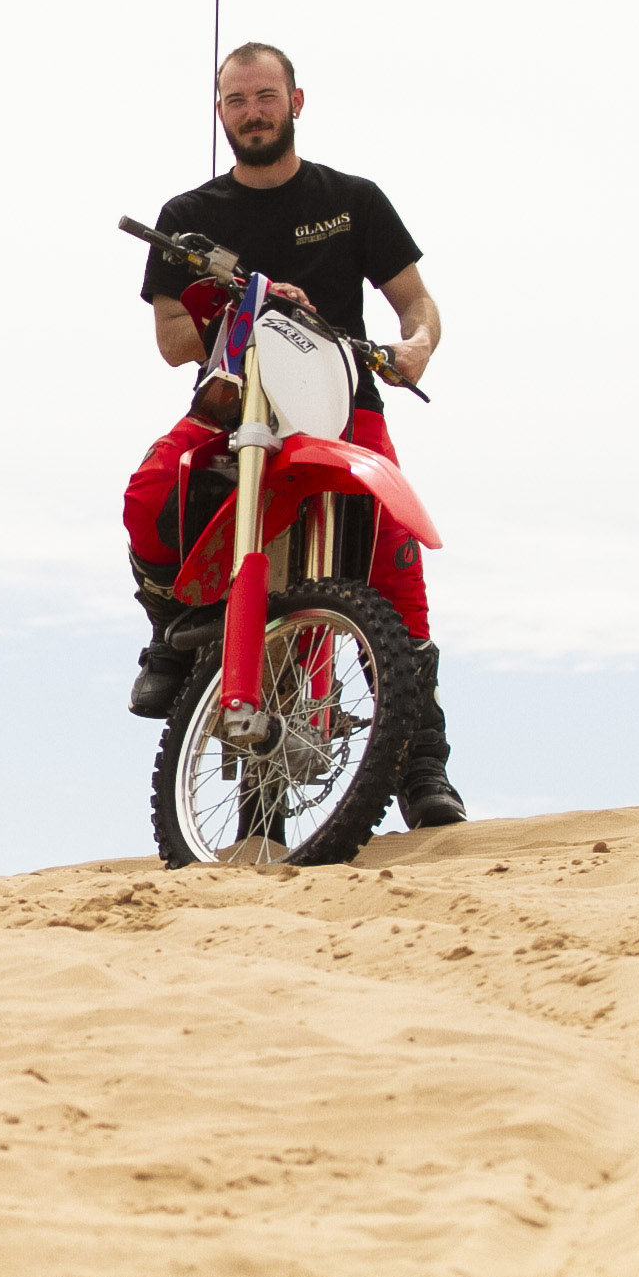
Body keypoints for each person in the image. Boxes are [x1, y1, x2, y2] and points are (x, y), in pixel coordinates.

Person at [122, 43, 466, 828]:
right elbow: (172, 340)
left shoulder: (354, 199)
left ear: (297, 102)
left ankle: (421, 768)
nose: (253, 112)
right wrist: (236, 295)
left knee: (395, 574)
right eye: (237, 100)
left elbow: (417, 302)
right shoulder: (188, 218)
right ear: (220, 112)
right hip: (233, 404)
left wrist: (416, 346)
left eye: (266, 96)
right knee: (150, 495)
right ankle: (171, 638)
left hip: (346, 404)